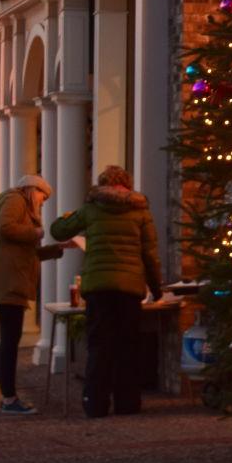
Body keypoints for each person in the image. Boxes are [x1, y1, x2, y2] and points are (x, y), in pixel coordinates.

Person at [51, 166, 163, 419]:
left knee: (99, 345)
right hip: (129, 287)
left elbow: (58, 230)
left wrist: (69, 215)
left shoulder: (90, 208)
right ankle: (127, 403)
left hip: (99, 287)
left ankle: (95, 403)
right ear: (127, 184)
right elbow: (150, 254)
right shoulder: (141, 211)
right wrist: (156, 289)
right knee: (127, 346)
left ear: (101, 184)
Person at [0, 175, 65, 416]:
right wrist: (36, 232)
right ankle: (8, 398)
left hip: (10, 279)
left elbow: (25, 253)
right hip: (9, 282)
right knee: (9, 341)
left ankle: (9, 396)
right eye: (43, 197)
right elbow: (4, 228)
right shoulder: (15, 199)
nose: (42, 203)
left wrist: (57, 249)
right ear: (32, 189)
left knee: (9, 340)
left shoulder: (16, 204)